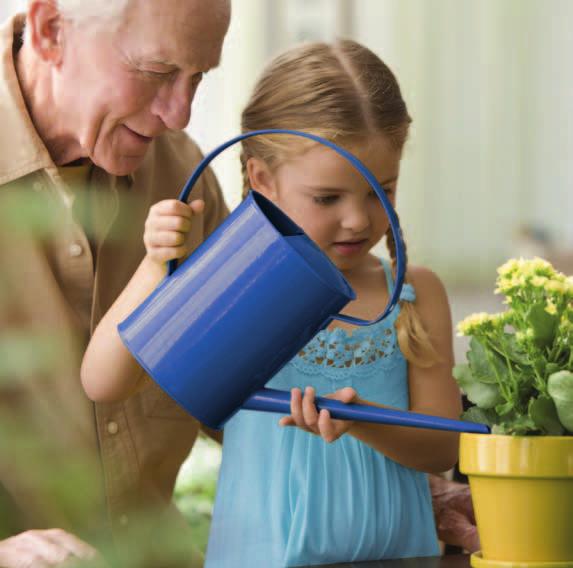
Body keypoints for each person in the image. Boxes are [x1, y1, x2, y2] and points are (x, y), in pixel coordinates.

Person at [80, 38, 473, 565]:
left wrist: (363, 420)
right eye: (328, 197)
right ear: (262, 179)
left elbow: (443, 446)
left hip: (399, 556)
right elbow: (104, 382)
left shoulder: (414, 294)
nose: (358, 219)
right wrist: (155, 267)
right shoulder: (236, 287)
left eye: (381, 190)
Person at [0, 0, 230, 566]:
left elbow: (242, 397)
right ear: (52, 31)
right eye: (157, 73)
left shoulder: (184, 177)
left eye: (197, 77)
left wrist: (391, 485)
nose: (180, 114)